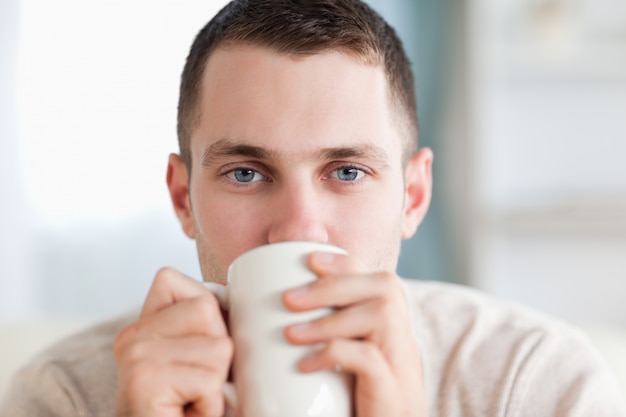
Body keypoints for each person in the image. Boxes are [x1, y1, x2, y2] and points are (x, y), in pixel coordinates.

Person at [2, 1, 625, 416]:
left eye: (347, 171)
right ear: (182, 198)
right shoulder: (65, 396)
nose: (297, 229)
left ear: (412, 197)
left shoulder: (535, 385)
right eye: (246, 173)